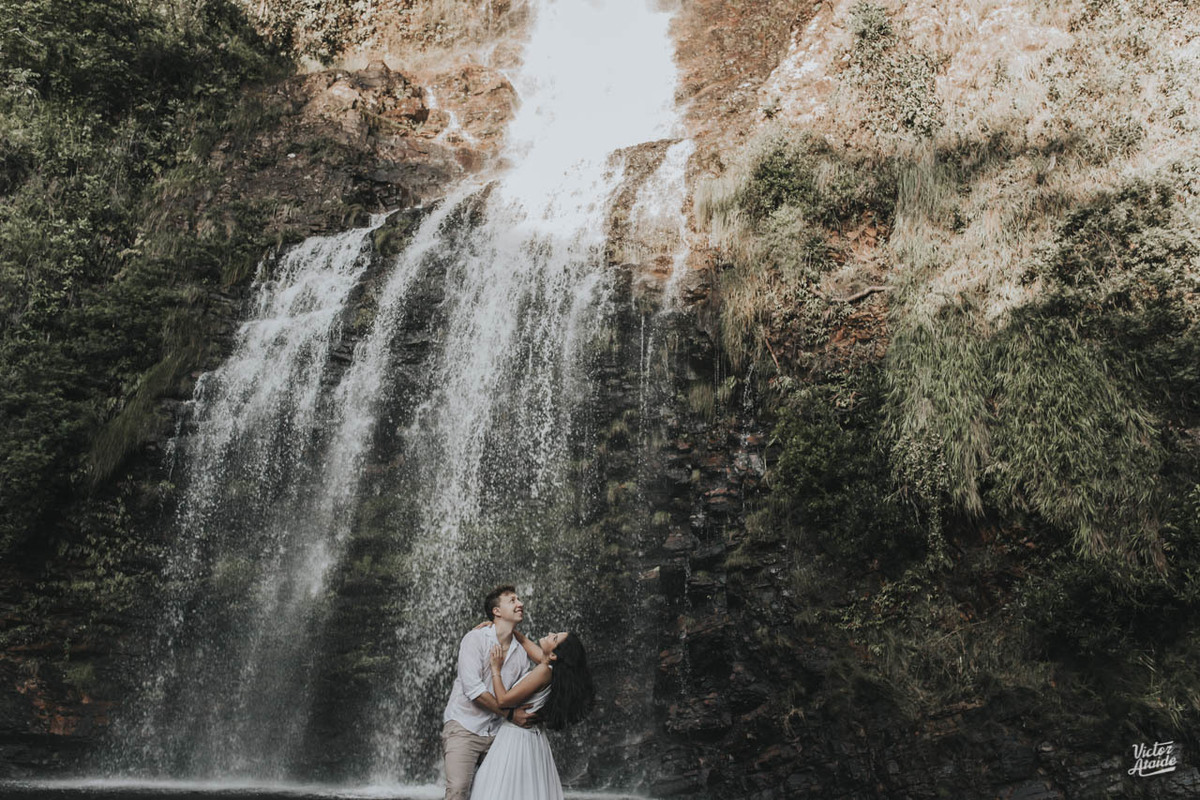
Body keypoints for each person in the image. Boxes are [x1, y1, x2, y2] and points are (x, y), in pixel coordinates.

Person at [468, 628, 595, 800]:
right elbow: (528, 644)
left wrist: (495, 668)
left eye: (554, 638)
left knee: (501, 789)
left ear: (554, 655)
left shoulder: (544, 671)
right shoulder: (553, 668)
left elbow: (503, 700)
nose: (550, 633)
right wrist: (506, 628)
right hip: (531, 738)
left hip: (517, 738)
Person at [442, 585, 538, 800]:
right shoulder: (475, 639)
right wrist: (511, 715)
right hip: (464, 726)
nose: (520, 604)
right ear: (496, 611)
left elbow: (519, 693)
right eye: (512, 600)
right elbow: (474, 690)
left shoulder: (521, 653)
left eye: (519, 599)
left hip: (498, 733)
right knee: (458, 790)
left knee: (499, 793)